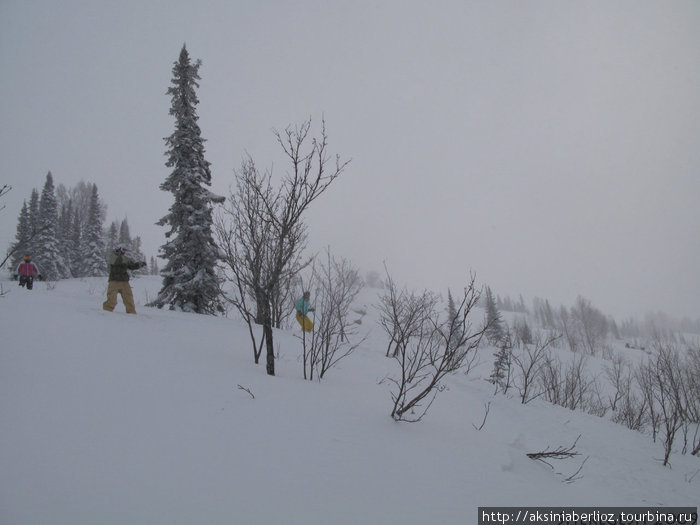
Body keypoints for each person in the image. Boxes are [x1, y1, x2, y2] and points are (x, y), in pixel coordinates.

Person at [102, 244, 146, 314]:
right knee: (112, 300)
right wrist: (125, 261)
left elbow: (131, 266)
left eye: (125, 250)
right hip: (114, 281)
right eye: (123, 250)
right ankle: (106, 312)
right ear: (118, 249)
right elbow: (116, 263)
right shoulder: (113, 257)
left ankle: (131, 313)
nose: (124, 252)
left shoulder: (124, 258)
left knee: (129, 299)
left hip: (124, 282)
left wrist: (139, 264)